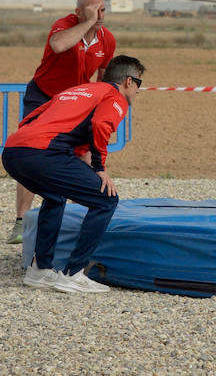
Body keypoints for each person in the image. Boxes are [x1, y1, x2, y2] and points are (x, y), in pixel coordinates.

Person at [1, 54, 144, 294]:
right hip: (44, 153)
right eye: (139, 84)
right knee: (106, 199)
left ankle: (40, 271)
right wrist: (99, 168)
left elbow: (33, 118)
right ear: (128, 81)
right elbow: (100, 125)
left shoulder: (78, 91)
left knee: (56, 196)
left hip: (14, 151)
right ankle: (73, 274)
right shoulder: (114, 97)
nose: (140, 90)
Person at [6, 0, 116, 244]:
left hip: (73, 103)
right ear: (78, 12)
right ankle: (21, 222)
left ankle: (86, 217)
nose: (98, 15)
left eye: (102, 9)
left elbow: (103, 79)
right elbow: (58, 45)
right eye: (91, 10)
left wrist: (99, 109)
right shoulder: (64, 26)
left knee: (85, 155)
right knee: (31, 151)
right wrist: (87, 22)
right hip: (43, 96)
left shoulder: (107, 40)